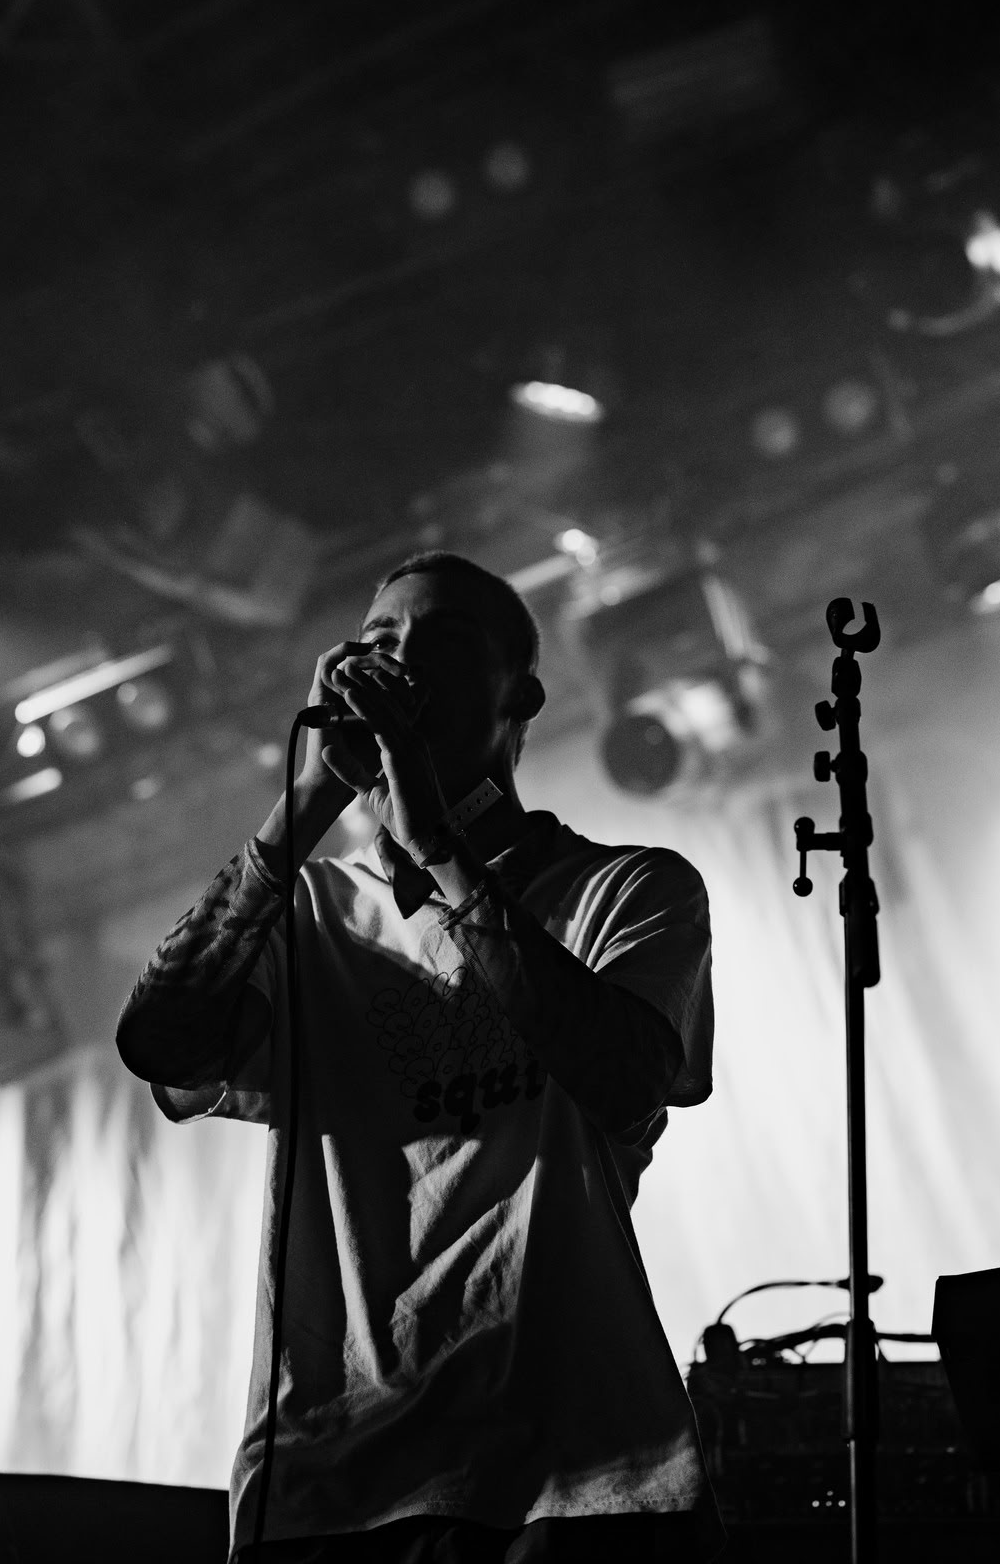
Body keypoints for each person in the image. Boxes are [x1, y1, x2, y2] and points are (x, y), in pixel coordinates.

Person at [115, 551, 720, 1563]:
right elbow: (160, 1039)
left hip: (575, 1476)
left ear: (517, 697)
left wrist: (443, 850)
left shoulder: (631, 892)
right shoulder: (312, 915)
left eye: (442, 646)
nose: (400, 670)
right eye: (380, 645)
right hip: (334, 1480)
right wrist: (304, 805)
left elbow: (622, 1078)